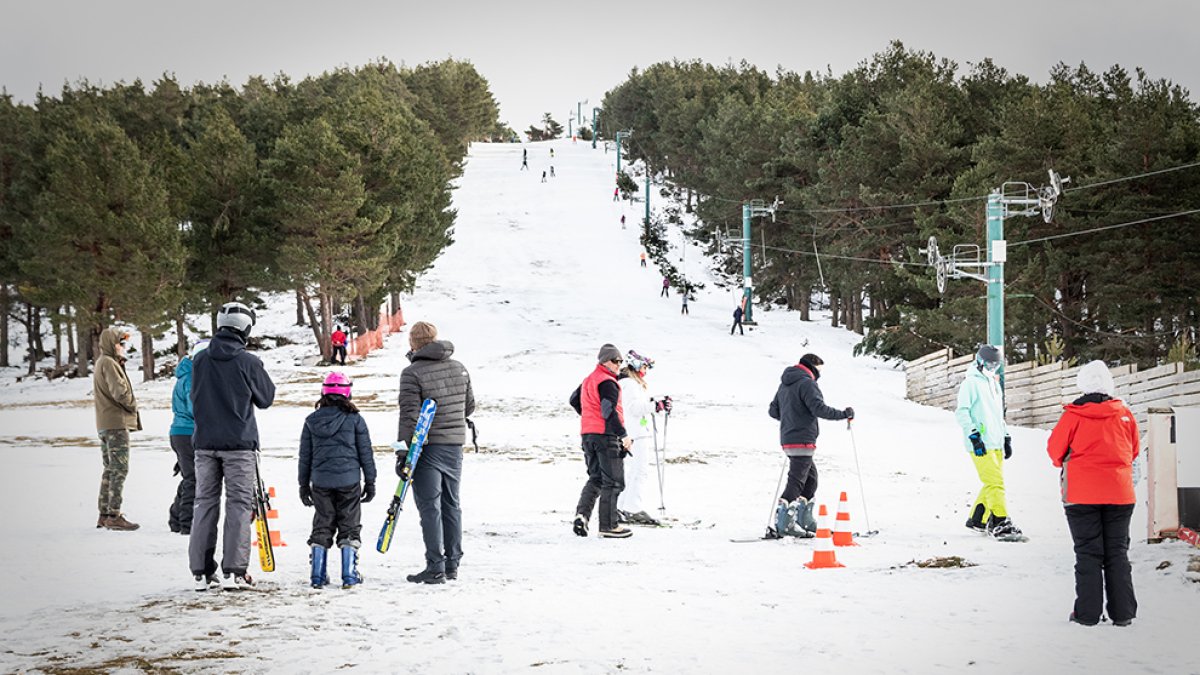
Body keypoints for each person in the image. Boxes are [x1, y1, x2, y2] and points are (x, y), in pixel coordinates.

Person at [189, 302, 276, 591]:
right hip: (239, 444)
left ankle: (201, 571)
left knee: (204, 504)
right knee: (238, 505)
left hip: (203, 443)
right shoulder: (248, 362)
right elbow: (266, 398)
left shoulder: (199, 361)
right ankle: (236, 572)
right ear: (246, 328)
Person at [1047, 361, 1139, 626]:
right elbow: (1132, 451)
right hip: (1120, 494)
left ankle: (1087, 614)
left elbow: (1055, 451)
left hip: (1081, 494)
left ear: (1082, 384)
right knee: (1117, 552)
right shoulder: (1123, 413)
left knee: (1088, 553)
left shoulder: (1073, 415)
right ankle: (1123, 614)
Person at [397, 321, 475, 584]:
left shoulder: (412, 373)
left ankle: (435, 566)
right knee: (451, 503)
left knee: (430, 507)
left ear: (413, 343)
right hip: (454, 445)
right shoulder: (459, 368)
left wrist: (403, 454)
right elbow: (469, 406)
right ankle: (453, 563)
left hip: (427, 447)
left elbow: (409, 417)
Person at [299, 372, 376, 589]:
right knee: (349, 524)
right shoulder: (355, 420)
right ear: (347, 392)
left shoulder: (311, 421)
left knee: (322, 524)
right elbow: (365, 454)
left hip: (321, 482)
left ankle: (317, 575)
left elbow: (305, 456)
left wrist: (303, 485)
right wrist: (370, 481)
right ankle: (349, 574)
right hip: (349, 481)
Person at [768, 353, 853, 537]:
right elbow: (818, 408)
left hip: (789, 438)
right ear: (813, 366)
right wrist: (843, 414)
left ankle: (804, 520)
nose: (819, 373)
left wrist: (791, 417)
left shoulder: (784, 384)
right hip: (802, 439)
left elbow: (773, 411)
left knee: (811, 479)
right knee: (797, 481)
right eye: (819, 369)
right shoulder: (807, 383)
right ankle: (784, 524)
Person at [955, 345, 1022, 541]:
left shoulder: (993, 383)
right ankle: (1000, 521)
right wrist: (973, 435)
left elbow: (997, 414)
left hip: (996, 441)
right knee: (995, 483)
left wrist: (1006, 436)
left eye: (996, 365)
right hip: (980, 442)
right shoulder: (971, 383)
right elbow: (962, 412)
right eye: (989, 364)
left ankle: (977, 519)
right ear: (979, 361)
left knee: (991, 483)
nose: (992, 368)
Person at [569, 344, 633, 538]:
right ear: (605, 361)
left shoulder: (589, 380)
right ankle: (609, 526)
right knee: (613, 482)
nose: (618, 365)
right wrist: (623, 435)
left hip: (588, 435)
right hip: (605, 436)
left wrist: (589, 416)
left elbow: (573, 400)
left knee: (596, 478)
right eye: (615, 361)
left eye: (621, 361)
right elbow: (608, 411)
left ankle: (582, 516)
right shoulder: (608, 383)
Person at [92, 326, 142, 531]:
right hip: (116, 424)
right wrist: (133, 404)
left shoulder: (102, 362)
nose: (123, 347)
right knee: (120, 469)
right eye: (120, 343)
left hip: (105, 424)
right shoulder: (109, 363)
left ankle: (104, 514)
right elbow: (119, 392)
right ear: (111, 344)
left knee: (110, 469)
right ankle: (114, 514)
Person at [616, 351, 663, 526]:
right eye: (644, 366)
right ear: (635, 365)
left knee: (632, 471)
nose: (645, 370)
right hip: (635, 433)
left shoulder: (630, 383)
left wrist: (653, 403)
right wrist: (654, 406)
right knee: (639, 471)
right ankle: (632, 508)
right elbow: (634, 408)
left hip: (634, 432)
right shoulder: (629, 384)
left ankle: (622, 507)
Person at [168, 339, 209, 535]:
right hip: (187, 432)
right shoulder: (193, 378)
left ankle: (176, 517)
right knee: (194, 478)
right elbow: (197, 409)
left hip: (182, 432)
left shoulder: (189, 375)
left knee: (190, 476)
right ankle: (187, 523)